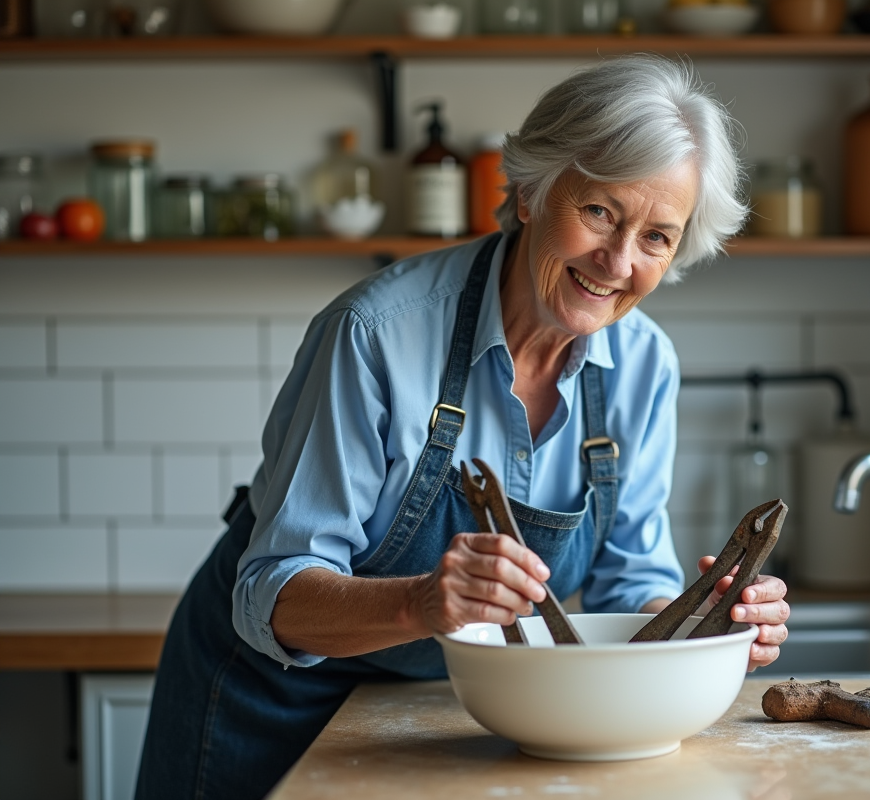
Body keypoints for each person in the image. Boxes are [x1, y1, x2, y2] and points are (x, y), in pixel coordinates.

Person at [135, 55, 789, 800]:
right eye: (599, 212)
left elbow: (630, 583)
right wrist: (421, 602)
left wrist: (705, 623)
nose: (617, 262)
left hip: (440, 711)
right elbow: (270, 593)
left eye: (657, 238)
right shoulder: (374, 336)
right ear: (530, 192)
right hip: (272, 700)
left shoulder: (643, 364)